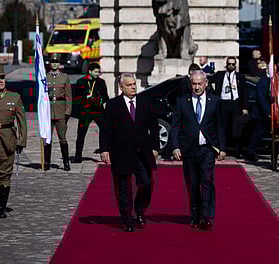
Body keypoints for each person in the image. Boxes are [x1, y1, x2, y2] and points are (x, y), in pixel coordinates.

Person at [99, 73, 160, 232]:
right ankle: (126, 219)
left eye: (134, 84)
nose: (133, 87)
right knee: (123, 188)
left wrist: (155, 147)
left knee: (146, 183)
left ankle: (140, 210)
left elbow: (154, 127)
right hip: (121, 152)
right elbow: (105, 129)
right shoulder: (113, 105)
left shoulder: (146, 103)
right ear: (121, 87)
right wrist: (105, 149)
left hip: (142, 152)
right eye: (129, 85)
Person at [170, 70, 226, 230]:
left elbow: (220, 125)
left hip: (207, 148)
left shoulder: (215, 101)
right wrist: (175, 146)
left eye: (199, 84)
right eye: (193, 84)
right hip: (188, 148)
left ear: (206, 84)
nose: (196, 87)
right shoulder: (182, 101)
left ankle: (207, 216)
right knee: (193, 183)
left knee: (207, 181)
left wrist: (222, 147)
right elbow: (175, 126)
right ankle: (195, 215)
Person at [0, 65, 27, 220]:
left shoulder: (14, 97)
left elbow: (22, 121)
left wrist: (22, 140)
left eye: (2, 77)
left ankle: (1, 208)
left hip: (8, 139)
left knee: (5, 175)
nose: (1, 80)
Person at [209, 56, 248, 158]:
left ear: (236, 66)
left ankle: (237, 150)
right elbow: (207, 80)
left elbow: (244, 93)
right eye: (229, 64)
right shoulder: (220, 75)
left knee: (236, 129)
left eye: (233, 64)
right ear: (226, 65)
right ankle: (222, 149)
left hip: (235, 103)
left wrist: (245, 107)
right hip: (223, 103)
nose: (231, 66)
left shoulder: (240, 77)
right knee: (222, 128)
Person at [73, 63, 109, 163]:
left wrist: (100, 100)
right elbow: (75, 99)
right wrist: (85, 98)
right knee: (81, 133)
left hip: (98, 111)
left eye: (98, 72)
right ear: (90, 71)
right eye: (95, 72)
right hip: (85, 111)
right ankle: (78, 156)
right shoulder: (81, 82)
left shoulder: (101, 82)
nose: (97, 74)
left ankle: (103, 152)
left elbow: (106, 97)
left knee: (105, 130)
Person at [45, 53, 72, 171]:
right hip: (48, 111)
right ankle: (47, 162)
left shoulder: (64, 77)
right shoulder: (45, 77)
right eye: (52, 62)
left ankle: (66, 163)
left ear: (59, 64)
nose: (54, 64)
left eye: (56, 62)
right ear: (50, 63)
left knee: (62, 138)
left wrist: (68, 112)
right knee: (48, 139)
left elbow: (69, 97)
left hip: (61, 111)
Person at [245, 60, 270, 162]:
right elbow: (261, 98)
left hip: (266, 112)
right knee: (257, 134)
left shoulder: (271, 80)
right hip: (261, 113)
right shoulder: (263, 80)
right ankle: (250, 153)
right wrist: (268, 111)